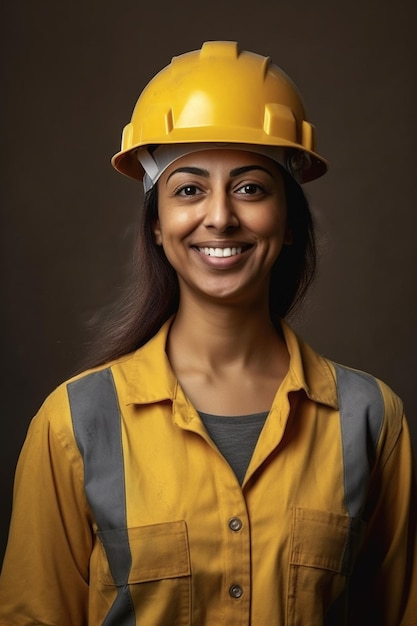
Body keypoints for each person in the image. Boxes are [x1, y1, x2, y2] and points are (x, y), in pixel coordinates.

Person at [0, 40, 416, 626]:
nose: (220, 215)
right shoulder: (73, 423)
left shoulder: (371, 419)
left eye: (250, 188)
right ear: (156, 226)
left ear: (291, 222)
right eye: (189, 189)